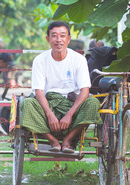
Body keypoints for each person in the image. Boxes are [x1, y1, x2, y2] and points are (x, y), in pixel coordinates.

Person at [20, 21, 102, 153]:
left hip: (72, 104)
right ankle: (52, 140)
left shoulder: (78, 59)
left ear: (68, 39)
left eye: (62, 36)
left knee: (93, 102)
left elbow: (85, 91)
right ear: (48, 39)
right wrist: (50, 114)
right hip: (48, 104)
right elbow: (39, 91)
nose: (59, 40)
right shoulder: (40, 60)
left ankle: (68, 140)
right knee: (28, 103)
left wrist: (70, 114)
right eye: (54, 36)